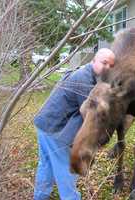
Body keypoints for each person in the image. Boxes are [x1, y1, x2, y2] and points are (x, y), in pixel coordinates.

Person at [33, 48, 115, 200]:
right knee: (67, 171)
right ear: (94, 60)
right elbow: (91, 115)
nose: (107, 68)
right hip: (54, 130)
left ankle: (40, 196)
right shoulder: (84, 80)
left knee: (46, 166)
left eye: (111, 65)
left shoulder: (85, 73)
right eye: (104, 63)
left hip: (44, 124)